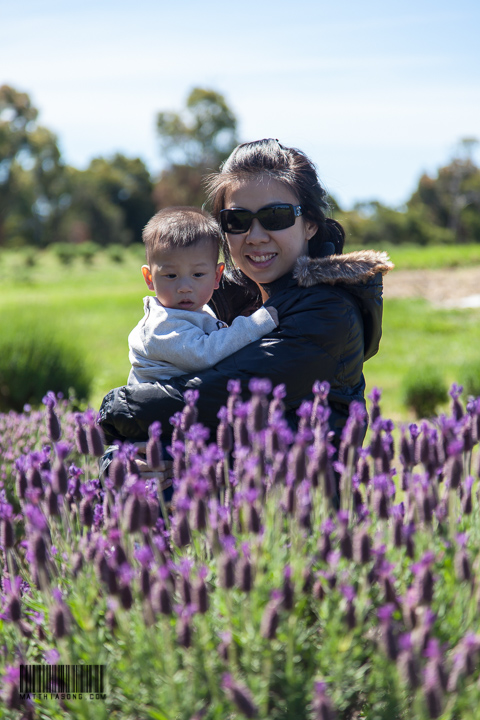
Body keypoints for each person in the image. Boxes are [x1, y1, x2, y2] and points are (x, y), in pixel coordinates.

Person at [99, 138, 393, 460]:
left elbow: (213, 395)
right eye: (237, 220)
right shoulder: (214, 295)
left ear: (309, 223)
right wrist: (118, 462)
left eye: (276, 217)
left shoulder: (327, 313)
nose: (255, 235)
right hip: (217, 501)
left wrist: (118, 408)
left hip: (291, 505)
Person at [127, 206, 278, 385]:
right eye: (171, 276)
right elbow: (203, 354)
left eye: (197, 275)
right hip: (159, 410)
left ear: (216, 276)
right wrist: (254, 325)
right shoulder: (160, 325)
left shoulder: (199, 311)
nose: (184, 288)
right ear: (149, 278)